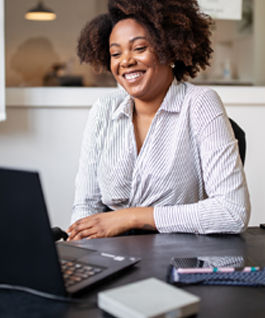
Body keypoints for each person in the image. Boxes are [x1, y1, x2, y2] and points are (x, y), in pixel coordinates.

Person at [67, 0, 250, 240]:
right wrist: (83, 245)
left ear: (169, 49)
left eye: (139, 48)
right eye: (115, 53)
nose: (125, 61)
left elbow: (233, 212)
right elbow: (85, 205)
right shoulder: (104, 109)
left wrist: (131, 217)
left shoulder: (200, 103)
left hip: (178, 254)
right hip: (111, 254)